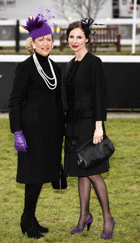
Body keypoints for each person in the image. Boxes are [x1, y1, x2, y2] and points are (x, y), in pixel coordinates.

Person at [9, 10, 64, 239]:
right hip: (31, 134)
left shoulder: (56, 69)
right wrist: (17, 131)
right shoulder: (25, 67)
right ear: (33, 42)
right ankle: (26, 220)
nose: (45, 44)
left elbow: (58, 103)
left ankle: (29, 218)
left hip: (51, 133)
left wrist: (63, 131)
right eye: (40, 40)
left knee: (42, 176)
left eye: (49, 39)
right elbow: (14, 102)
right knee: (33, 177)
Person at [63, 18, 115, 239]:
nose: (74, 41)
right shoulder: (70, 64)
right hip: (73, 126)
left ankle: (108, 218)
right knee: (80, 172)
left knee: (93, 173)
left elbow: (99, 97)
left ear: (87, 39)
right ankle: (84, 215)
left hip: (90, 125)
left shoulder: (94, 62)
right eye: (71, 37)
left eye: (79, 37)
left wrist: (98, 127)